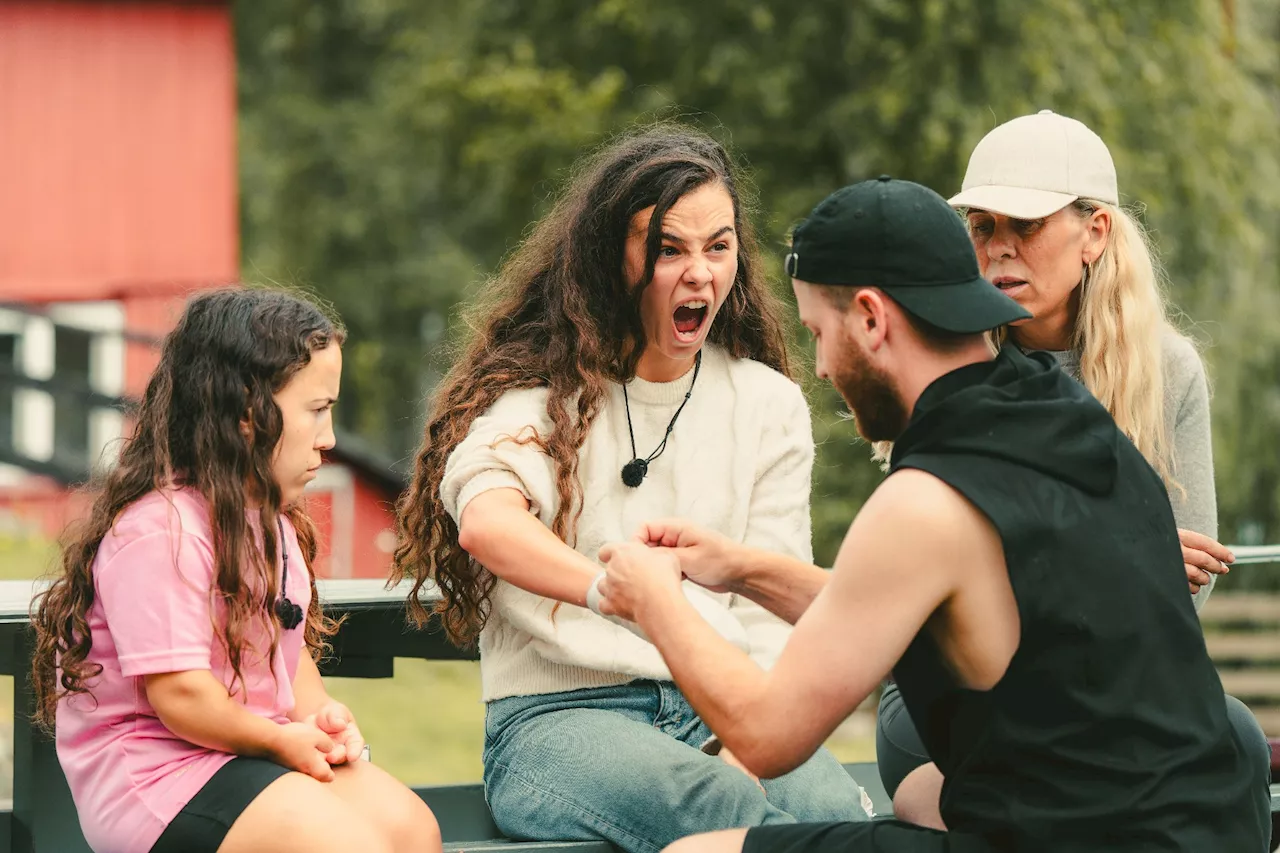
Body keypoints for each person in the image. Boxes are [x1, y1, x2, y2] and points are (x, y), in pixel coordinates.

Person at [595, 176, 1267, 852]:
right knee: (923, 793)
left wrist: (652, 598)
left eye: (819, 333)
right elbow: (896, 608)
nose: (822, 366)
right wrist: (742, 569)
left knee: (692, 852)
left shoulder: (924, 500)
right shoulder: (1065, 417)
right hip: (1205, 819)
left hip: (1079, 839)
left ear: (870, 317)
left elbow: (768, 735)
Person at [392, 124, 871, 853]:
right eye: (669, 248)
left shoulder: (766, 403)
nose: (701, 273)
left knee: (840, 813)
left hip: (718, 705)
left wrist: (753, 741)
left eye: (718, 246)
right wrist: (614, 592)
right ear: (612, 256)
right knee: (720, 808)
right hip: (556, 721)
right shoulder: (536, 400)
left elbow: (771, 622)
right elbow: (487, 523)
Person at [875, 110, 1271, 835]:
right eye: (984, 226)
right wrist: (1132, 553)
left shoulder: (1168, 369)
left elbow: (1193, 586)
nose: (999, 249)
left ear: (1095, 234)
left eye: (1025, 226)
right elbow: (923, 587)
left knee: (1236, 738)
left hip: (1112, 683)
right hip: (958, 685)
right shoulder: (937, 359)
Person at [31, 287, 442, 853]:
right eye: (318, 410)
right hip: (157, 774)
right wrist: (280, 743)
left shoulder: (269, 523)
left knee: (413, 830)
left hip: (246, 752)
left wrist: (321, 720)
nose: (328, 439)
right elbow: (182, 699)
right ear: (248, 414)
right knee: (346, 845)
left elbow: (286, 661)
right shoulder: (160, 531)